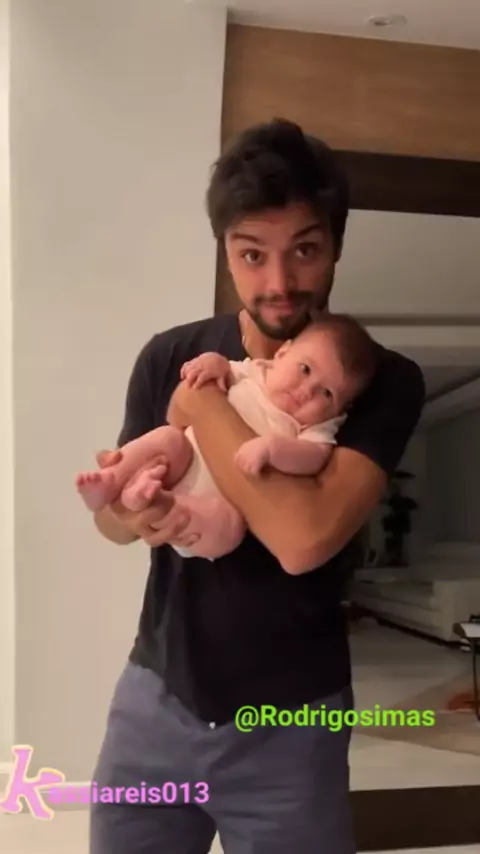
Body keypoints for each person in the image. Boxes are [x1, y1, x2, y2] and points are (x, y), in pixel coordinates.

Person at [89, 118, 425, 854]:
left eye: (304, 250)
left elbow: (302, 540)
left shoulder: (379, 380)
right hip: (155, 697)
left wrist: (203, 407)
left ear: (335, 246)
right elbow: (113, 523)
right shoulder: (170, 354)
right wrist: (135, 516)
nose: (278, 283)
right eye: (252, 254)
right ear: (226, 251)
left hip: (293, 724)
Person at [76, 313, 377, 561]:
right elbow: (221, 367)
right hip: (177, 464)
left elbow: (315, 456)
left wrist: (273, 449)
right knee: (169, 439)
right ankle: (114, 479)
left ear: (340, 409)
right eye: (305, 369)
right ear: (282, 354)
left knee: (230, 528)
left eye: (326, 393)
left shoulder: (316, 427)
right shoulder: (256, 371)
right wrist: (210, 363)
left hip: (207, 508)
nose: (306, 391)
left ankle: (164, 504)